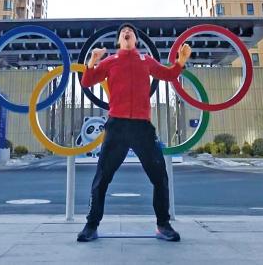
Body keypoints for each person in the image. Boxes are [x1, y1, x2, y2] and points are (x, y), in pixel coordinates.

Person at [76, 22, 192, 243]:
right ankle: (91, 225)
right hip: (117, 126)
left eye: (130, 32)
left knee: (160, 177)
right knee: (101, 179)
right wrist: (93, 60)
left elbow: (168, 75)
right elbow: (87, 80)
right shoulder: (111, 61)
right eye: (123, 32)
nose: (126, 32)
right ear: (119, 41)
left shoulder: (146, 60)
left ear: (135, 40)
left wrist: (181, 61)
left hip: (142, 128)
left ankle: (163, 225)